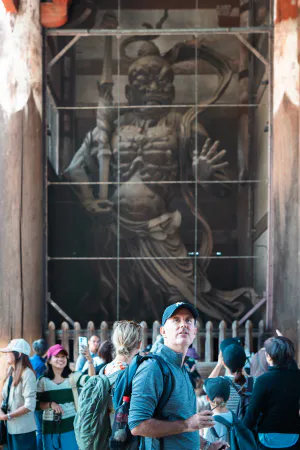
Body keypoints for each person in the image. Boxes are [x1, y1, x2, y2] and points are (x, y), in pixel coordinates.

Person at [128, 302, 229, 450]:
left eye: (188, 320)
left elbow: (185, 425)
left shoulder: (182, 370)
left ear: (194, 332)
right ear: (163, 331)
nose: (183, 325)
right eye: (176, 320)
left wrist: (208, 446)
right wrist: (187, 424)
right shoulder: (153, 368)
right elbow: (137, 425)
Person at [243, 336, 300, 450]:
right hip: (294, 436)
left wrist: (241, 432)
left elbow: (252, 413)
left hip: (268, 438)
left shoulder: (263, 380)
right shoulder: (297, 377)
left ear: (269, 357)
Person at [36, 344, 95, 450]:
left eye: (63, 357)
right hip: (50, 429)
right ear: (49, 360)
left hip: (72, 427)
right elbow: (35, 405)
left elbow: (92, 381)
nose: (61, 359)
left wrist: (89, 360)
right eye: (57, 356)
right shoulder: (42, 381)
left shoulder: (73, 376)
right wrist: (50, 404)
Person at [0, 338, 37, 450]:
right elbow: (4, 398)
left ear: (19, 354)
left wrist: (8, 416)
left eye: (8, 352)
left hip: (23, 431)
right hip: (9, 428)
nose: (6, 354)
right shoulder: (10, 372)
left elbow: (29, 405)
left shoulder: (28, 374)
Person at [209, 342, 254, 414]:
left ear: (224, 363)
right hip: (248, 424)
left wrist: (218, 365)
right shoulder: (256, 381)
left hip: (228, 424)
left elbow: (207, 384)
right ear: (245, 362)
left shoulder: (219, 383)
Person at [30, 339, 48, 450]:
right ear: (45, 350)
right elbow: (41, 384)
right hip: (38, 399)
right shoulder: (42, 365)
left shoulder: (30, 360)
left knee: (35, 429)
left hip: (29, 396)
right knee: (40, 430)